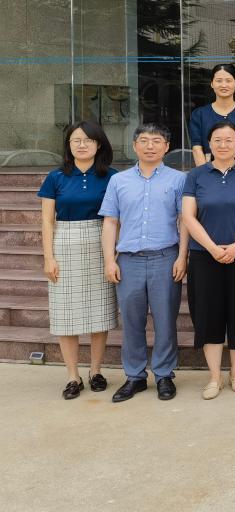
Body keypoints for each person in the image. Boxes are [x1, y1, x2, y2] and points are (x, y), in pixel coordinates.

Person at [100, 123, 187, 403]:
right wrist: (109, 260)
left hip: (165, 258)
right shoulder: (119, 181)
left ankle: (164, 375)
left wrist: (182, 256)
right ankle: (135, 376)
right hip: (128, 261)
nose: (150, 146)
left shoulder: (179, 179)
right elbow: (110, 221)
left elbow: (185, 221)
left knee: (165, 321)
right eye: (145, 140)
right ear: (135, 146)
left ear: (167, 147)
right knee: (132, 322)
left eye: (157, 141)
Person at [38, 121, 118, 400]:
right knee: (65, 314)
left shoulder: (112, 176)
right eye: (76, 141)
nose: (82, 145)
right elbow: (47, 221)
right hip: (65, 243)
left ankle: (96, 371)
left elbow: (117, 217)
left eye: (88, 140)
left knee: (100, 312)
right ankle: (73, 376)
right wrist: (49, 257)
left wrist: (114, 254)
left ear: (99, 144)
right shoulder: (56, 177)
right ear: (68, 145)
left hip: (101, 242)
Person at [181, 121, 235, 400]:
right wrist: (213, 248)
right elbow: (188, 216)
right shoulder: (196, 175)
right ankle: (214, 377)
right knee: (208, 314)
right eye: (217, 140)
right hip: (204, 257)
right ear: (209, 144)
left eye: (229, 140)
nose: (223, 145)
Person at [188, 63, 235, 167]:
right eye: (219, 81)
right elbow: (196, 148)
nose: (224, 85)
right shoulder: (199, 114)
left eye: (228, 81)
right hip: (208, 167)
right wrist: (204, 173)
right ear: (212, 84)